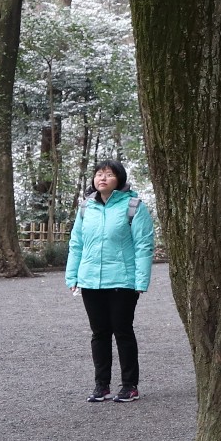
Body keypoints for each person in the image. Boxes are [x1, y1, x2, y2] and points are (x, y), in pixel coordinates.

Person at [65, 159, 156, 403]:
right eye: (99, 174)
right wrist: (72, 276)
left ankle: (129, 385)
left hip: (123, 281)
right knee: (99, 333)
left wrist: (141, 281)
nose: (102, 178)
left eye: (109, 174)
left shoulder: (134, 206)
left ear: (120, 179)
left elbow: (144, 245)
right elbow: (77, 244)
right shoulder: (85, 208)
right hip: (90, 280)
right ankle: (101, 385)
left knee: (123, 331)